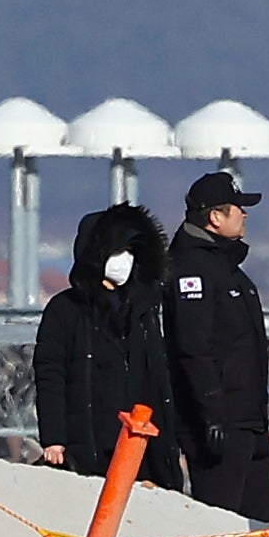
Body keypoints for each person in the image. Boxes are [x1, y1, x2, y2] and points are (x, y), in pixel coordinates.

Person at [34, 203, 185, 488]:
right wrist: (54, 438)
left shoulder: (143, 309)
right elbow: (50, 374)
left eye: (130, 252)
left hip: (142, 440)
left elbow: (158, 375)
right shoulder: (65, 310)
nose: (124, 260)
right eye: (117, 252)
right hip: (90, 439)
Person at [164, 171, 269, 521]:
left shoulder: (228, 269)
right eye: (237, 208)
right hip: (219, 423)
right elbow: (192, 347)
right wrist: (211, 414)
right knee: (222, 521)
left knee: (260, 526)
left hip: (249, 419)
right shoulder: (191, 270)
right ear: (215, 217)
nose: (245, 215)